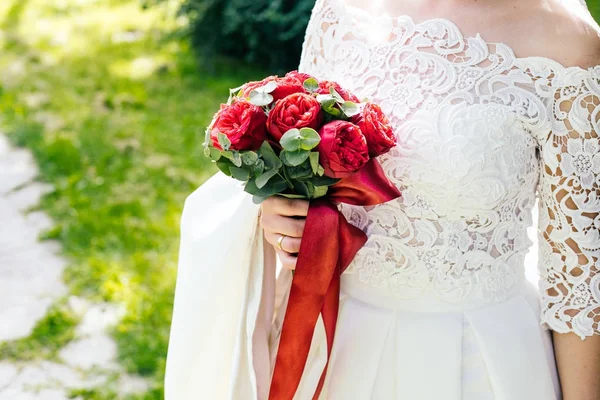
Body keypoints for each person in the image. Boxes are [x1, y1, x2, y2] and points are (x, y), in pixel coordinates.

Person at [165, 0, 600, 398]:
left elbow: (579, 280)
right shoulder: (340, 9)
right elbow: (304, 161)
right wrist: (281, 211)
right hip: (335, 342)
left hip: (482, 358)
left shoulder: (567, 44)